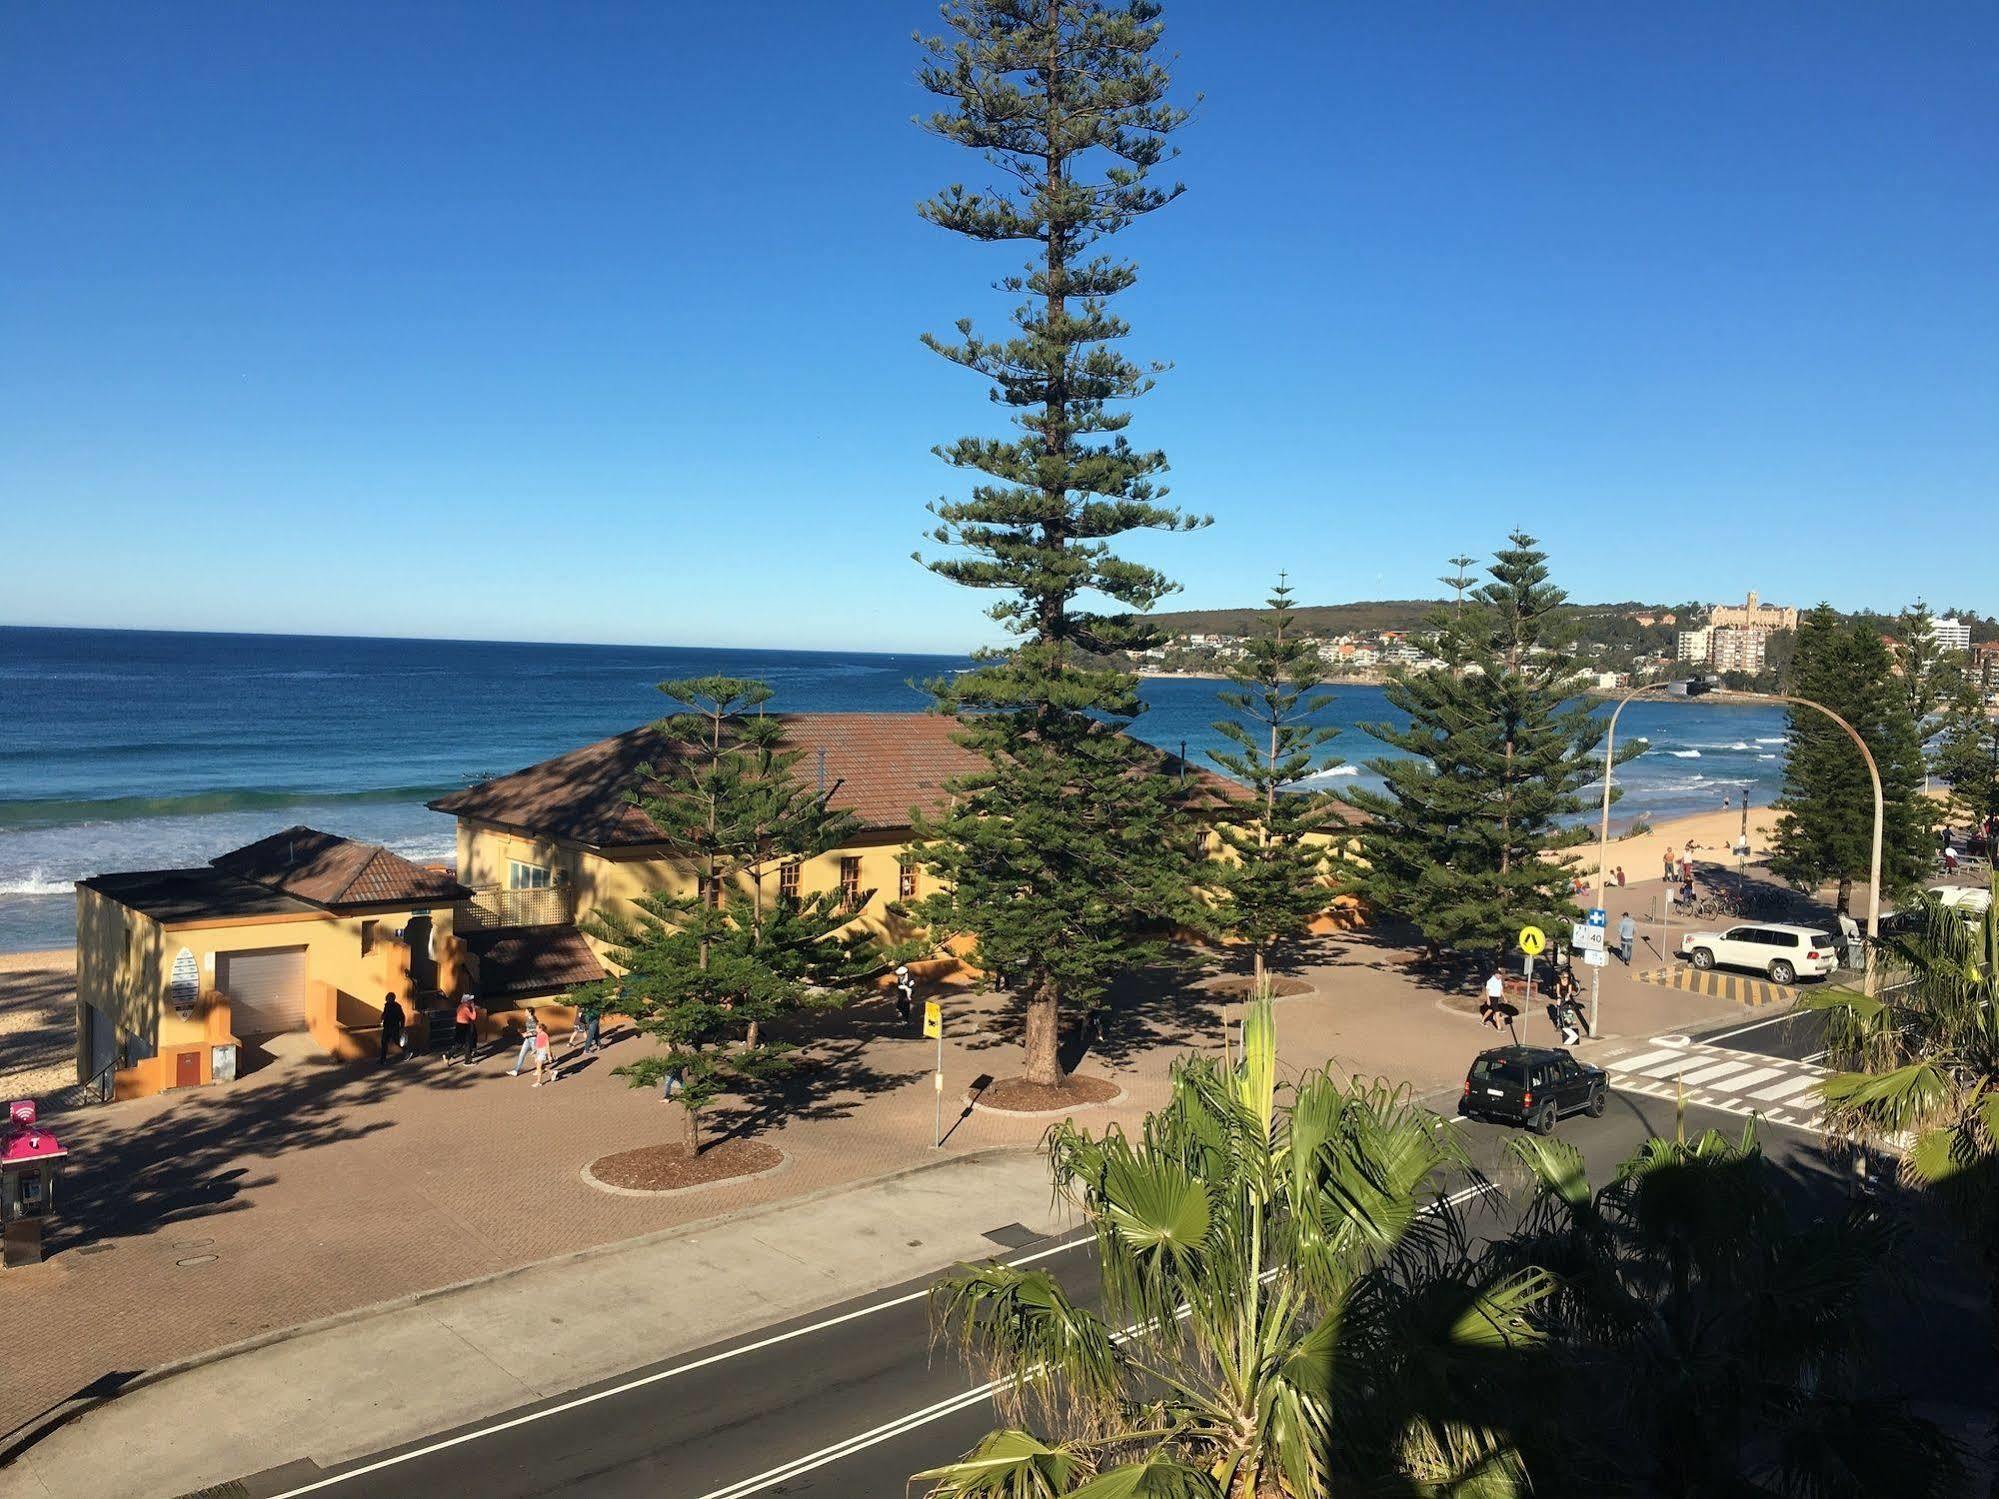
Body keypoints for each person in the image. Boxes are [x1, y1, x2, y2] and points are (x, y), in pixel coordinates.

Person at [507, 1009, 541, 1077]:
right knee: (522, 1054)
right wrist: (525, 1033)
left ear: (530, 1012)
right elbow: (529, 1030)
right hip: (528, 1040)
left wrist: (527, 1034)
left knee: (536, 1056)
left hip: (533, 1039)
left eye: (526, 1012)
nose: (525, 1013)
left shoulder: (533, 1020)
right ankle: (516, 1070)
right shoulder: (528, 1019)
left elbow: (536, 1031)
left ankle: (545, 1068)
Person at [451, 992, 480, 1064]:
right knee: (466, 1043)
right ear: (466, 1001)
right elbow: (473, 1017)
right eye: (470, 1000)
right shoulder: (466, 1008)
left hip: (461, 1025)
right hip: (464, 1026)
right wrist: (473, 1008)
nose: (472, 1001)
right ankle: (467, 1061)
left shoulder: (461, 1006)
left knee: (462, 1043)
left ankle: (449, 1055)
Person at [378, 991, 405, 1064]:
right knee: (384, 1042)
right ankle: (383, 1059)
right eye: (388, 998)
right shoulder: (386, 1006)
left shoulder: (397, 1006)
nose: (388, 1000)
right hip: (387, 1027)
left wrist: (402, 1027)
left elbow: (402, 1017)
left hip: (394, 1027)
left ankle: (407, 1052)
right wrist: (382, 1018)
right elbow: (385, 1014)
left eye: (390, 998)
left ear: (393, 999)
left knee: (397, 1041)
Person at [530, 1015, 555, 1087]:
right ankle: (552, 1072)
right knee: (540, 1065)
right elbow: (538, 1044)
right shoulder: (539, 1034)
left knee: (538, 1067)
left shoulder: (545, 1035)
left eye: (537, 1028)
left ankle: (539, 1082)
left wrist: (549, 1055)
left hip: (543, 1052)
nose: (536, 1029)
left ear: (541, 1029)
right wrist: (535, 1051)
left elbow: (547, 1045)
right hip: (539, 1051)